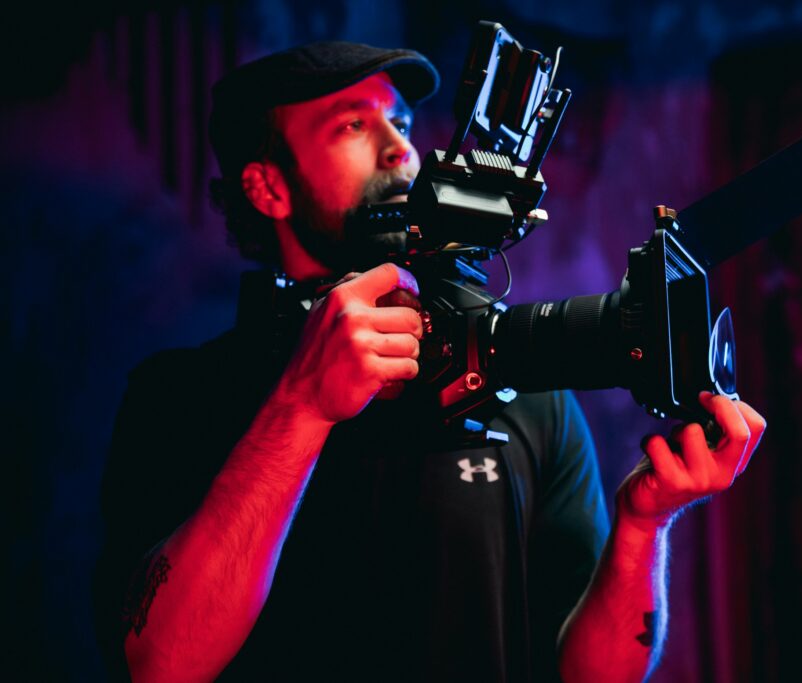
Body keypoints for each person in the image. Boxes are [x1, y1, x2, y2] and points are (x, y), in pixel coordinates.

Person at [93, 40, 766, 683]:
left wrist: (644, 526)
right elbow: (161, 664)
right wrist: (300, 407)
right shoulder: (180, 396)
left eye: (401, 120)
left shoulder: (524, 392)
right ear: (267, 187)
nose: (400, 149)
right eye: (351, 125)